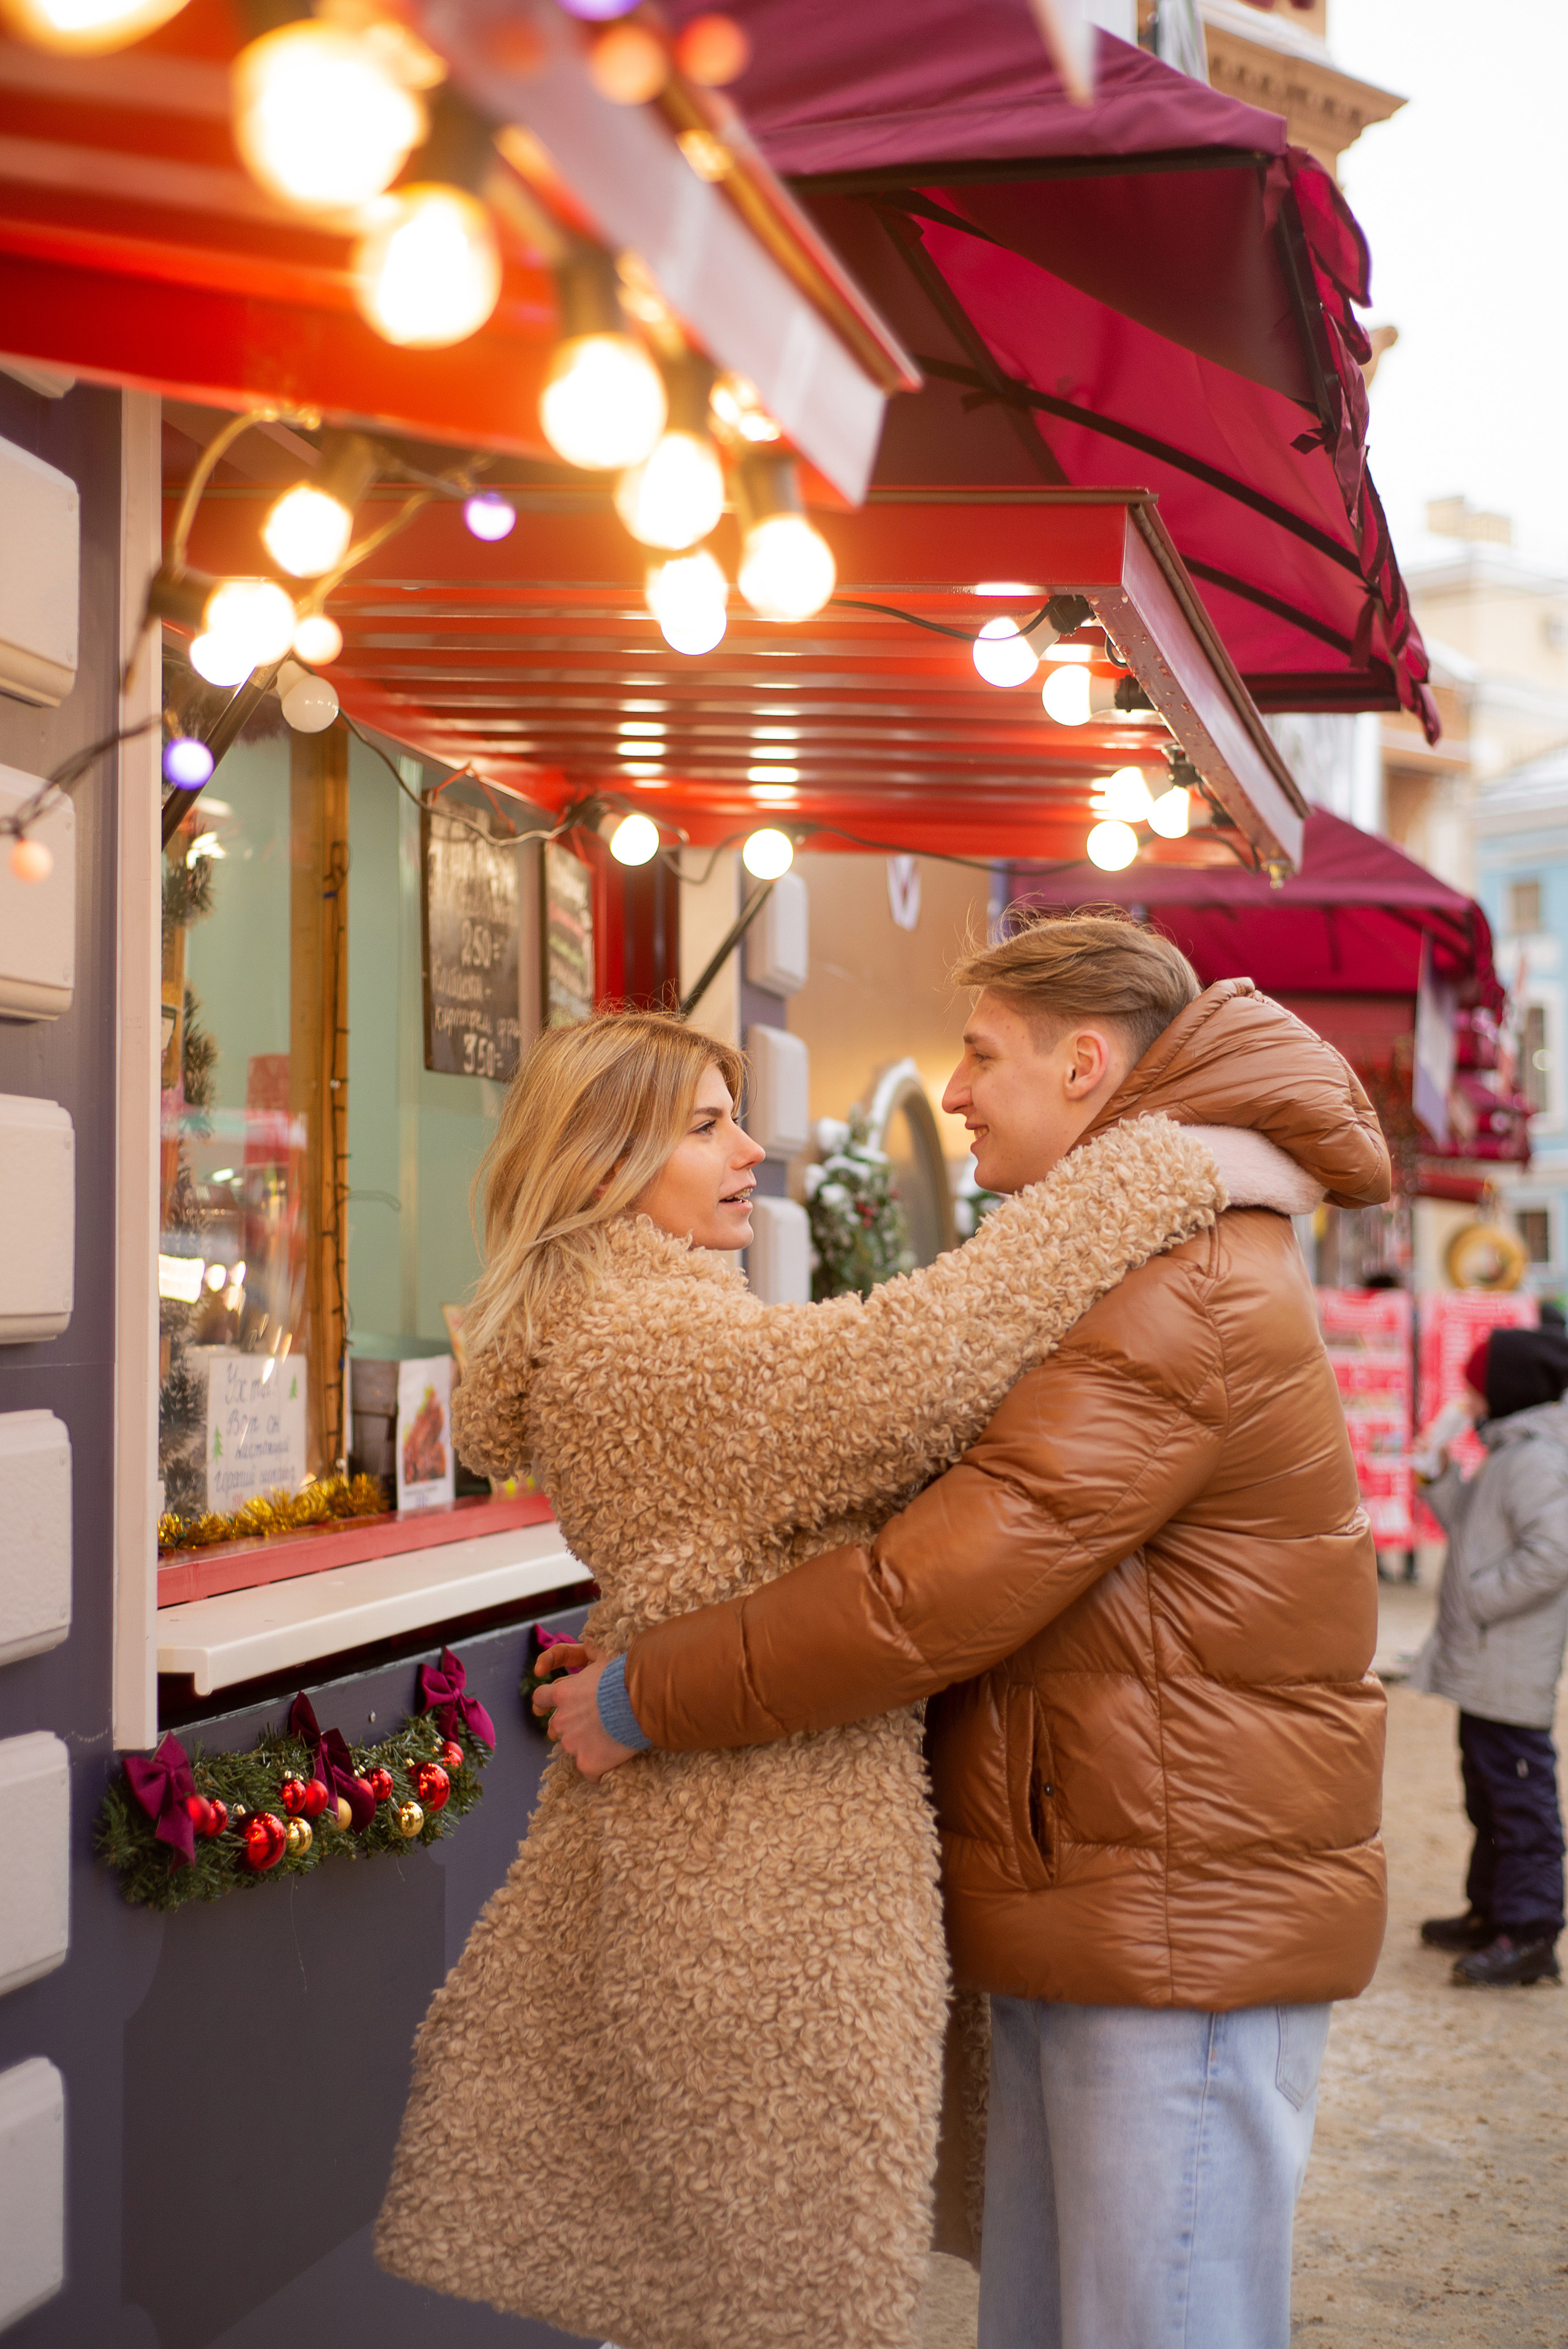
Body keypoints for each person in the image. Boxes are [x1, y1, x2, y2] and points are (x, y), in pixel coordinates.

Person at [545, 920, 1393, 2349]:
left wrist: (646, 1693)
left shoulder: (1178, 1282)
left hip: (1167, 1907)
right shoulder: (1130, 1259)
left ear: (1081, 1063)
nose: (951, 1091)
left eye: (981, 1055)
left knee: (1153, 2317)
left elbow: (929, 1587)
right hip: (1111, 1881)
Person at [377, 994, 1261, 2349]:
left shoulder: (648, 1321)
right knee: (781, 2292)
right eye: (709, 1127)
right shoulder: (649, 1342)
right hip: (761, 1875)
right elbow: (922, 1358)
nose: (751, 1154)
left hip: (748, 1843)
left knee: (746, 2284)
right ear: (607, 1162)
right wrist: (1152, 1173)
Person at [1409, 1322, 1568, 1986]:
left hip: (1508, 1665)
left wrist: (1477, 1598)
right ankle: (1491, 1910)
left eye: (1475, 1389)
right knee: (1489, 1795)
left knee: (1520, 1800)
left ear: (1504, 1388)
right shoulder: (1506, 1453)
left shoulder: (1535, 1458)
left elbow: (1553, 1554)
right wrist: (1438, 1478)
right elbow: (1473, 1533)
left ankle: (1530, 1933)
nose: (1466, 1401)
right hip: (1486, 1667)